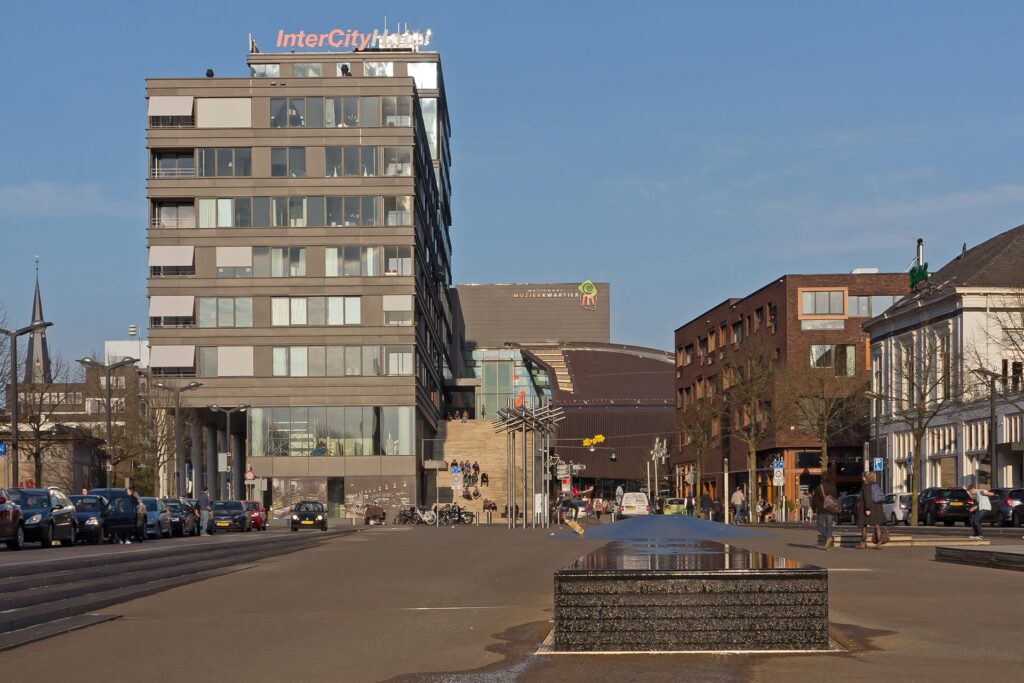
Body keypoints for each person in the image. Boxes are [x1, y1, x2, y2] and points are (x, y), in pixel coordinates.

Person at [812, 472, 840, 550]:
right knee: (829, 527)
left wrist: (814, 509)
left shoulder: (819, 487)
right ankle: (829, 545)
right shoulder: (833, 487)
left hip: (821, 510)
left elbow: (815, 500)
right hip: (830, 510)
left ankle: (828, 538)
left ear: (822, 479)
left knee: (820, 526)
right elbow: (835, 498)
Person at [857, 472, 884, 549]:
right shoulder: (876, 485)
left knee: (864, 525)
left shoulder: (866, 485)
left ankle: (862, 543)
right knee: (877, 525)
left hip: (868, 507)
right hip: (877, 507)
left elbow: (867, 497)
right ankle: (879, 543)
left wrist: (867, 508)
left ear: (868, 477)